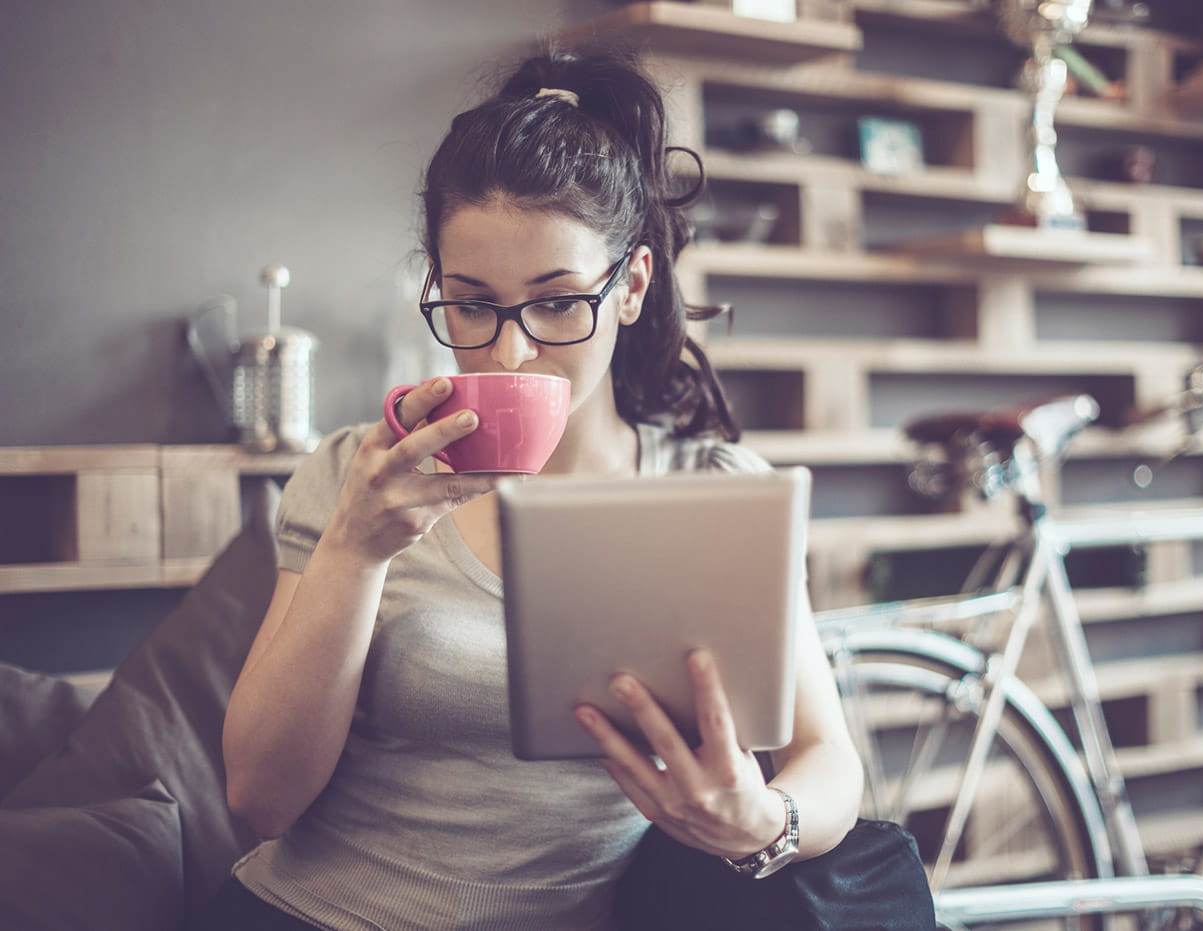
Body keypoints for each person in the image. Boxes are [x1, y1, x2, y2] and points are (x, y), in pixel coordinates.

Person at [203, 44, 864, 931]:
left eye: (557, 301)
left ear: (629, 285)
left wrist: (762, 823)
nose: (510, 352)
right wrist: (357, 549)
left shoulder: (706, 492)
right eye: (472, 304)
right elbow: (259, 797)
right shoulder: (359, 475)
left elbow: (829, 760)